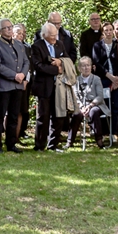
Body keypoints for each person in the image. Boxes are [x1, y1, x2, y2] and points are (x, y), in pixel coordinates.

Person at [0, 18, 29, 154]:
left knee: (14, 115)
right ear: (0, 31)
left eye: (10, 27)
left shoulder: (18, 44)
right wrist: (14, 75)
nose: (9, 29)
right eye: (6, 28)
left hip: (18, 85)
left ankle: (11, 143)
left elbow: (26, 62)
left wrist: (22, 75)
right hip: (3, 86)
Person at [31, 22, 68, 151]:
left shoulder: (60, 44)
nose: (54, 38)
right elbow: (38, 66)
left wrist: (60, 62)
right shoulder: (37, 46)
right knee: (43, 116)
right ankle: (39, 145)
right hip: (44, 87)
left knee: (58, 116)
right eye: (51, 35)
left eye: (55, 35)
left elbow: (67, 60)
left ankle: (53, 144)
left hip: (59, 86)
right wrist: (56, 70)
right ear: (44, 35)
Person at [68, 57, 108, 148]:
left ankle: (99, 140)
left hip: (95, 105)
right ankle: (70, 141)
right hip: (80, 106)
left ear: (91, 67)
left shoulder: (96, 79)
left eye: (88, 65)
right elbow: (75, 96)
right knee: (77, 114)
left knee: (93, 111)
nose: (86, 68)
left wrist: (90, 106)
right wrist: (82, 107)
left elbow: (100, 96)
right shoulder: (76, 80)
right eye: (83, 66)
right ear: (79, 68)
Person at [92, 21, 118, 140]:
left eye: (110, 30)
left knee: (115, 107)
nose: (109, 32)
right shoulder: (97, 46)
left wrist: (116, 80)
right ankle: (103, 132)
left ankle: (112, 132)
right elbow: (97, 63)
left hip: (116, 82)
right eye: (106, 30)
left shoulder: (117, 46)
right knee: (103, 106)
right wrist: (109, 76)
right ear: (102, 32)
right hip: (103, 80)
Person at [13, 23, 33, 140]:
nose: (20, 35)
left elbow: (28, 65)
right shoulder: (7, 46)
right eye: (18, 33)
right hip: (11, 81)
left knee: (22, 110)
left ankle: (18, 135)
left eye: (22, 33)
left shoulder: (26, 47)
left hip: (24, 82)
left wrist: (26, 79)